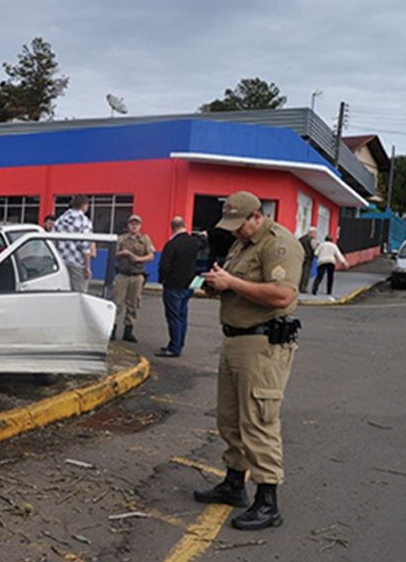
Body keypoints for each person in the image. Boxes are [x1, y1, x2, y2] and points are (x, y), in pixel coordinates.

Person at [196, 191, 303, 531]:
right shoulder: (241, 245)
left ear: (256, 216)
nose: (234, 232)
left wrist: (232, 282)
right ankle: (233, 483)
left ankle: (267, 501)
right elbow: (239, 284)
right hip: (235, 339)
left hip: (262, 342)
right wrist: (219, 285)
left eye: (238, 225)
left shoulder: (278, 243)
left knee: (258, 419)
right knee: (230, 417)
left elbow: (283, 295)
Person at [155, 217, 207, 357]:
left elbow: (164, 266)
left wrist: (162, 280)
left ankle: (174, 347)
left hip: (173, 285)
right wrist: (203, 236)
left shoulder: (172, 244)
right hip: (188, 284)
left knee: (173, 317)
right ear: (184, 225)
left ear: (172, 227)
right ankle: (179, 344)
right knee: (182, 316)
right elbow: (203, 244)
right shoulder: (193, 242)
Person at [111, 214, 155, 342]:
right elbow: (113, 254)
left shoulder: (145, 239)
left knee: (133, 304)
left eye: (136, 224)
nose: (134, 226)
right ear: (128, 225)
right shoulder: (122, 239)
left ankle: (128, 331)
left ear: (140, 226)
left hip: (137, 276)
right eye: (132, 223)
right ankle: (112, 329)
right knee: (116, 303)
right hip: (122, 274)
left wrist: (137, 258)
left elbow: (151, 256)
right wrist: (122, 253)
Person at [52, 194, 94, 292]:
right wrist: (88, 267)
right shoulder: (85, 221)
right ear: (84, 205)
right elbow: (85, 246)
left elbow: (52, 240)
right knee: (79, 295)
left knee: (62, 294)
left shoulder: (60, 220)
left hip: (61, 262)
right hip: (77, 263)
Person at [298, 227, 317, 293]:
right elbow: (314, 248)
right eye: (315, 233)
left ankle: (298, 286)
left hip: (301, 257)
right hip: (308, 258)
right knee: (306, 273)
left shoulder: (301, 239)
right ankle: (303, 288)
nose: (316, 235)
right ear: (312, 233)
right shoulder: (311, 240)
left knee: (300, 272)